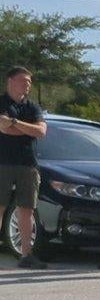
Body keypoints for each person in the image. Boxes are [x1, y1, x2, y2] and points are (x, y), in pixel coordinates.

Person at [0, 65, 49, 269]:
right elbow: (3, 128)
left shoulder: (33, 107)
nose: (27, 85)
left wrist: (14, 122)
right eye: (23, 81)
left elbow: (41, 131)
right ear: (10, 82)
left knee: (27, 209)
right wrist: (26, 129)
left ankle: (26, 255)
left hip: (28, 164)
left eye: (29, 82)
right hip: (2, 162)